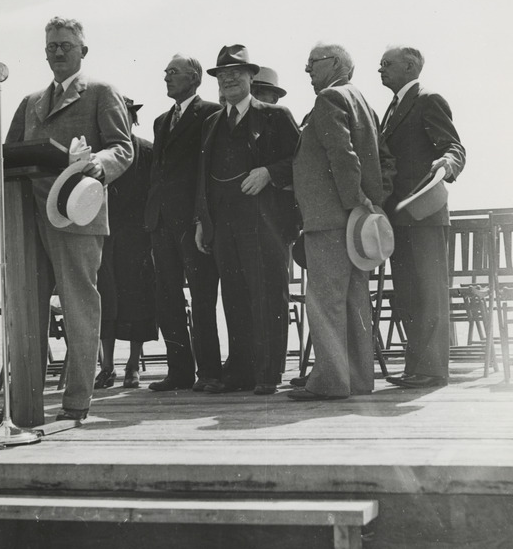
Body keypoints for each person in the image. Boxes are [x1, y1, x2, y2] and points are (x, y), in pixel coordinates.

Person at [0, 16, 133, 421]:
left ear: (83, 50)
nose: (57, 52)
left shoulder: (101, 93)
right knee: (25, 308)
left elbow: (122, 148)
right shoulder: (30, 103)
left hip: (76, 215)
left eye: (65, 45)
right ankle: (22, 404)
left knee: (80, 307)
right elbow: (7, 155)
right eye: (51, 46)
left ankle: (77, 401)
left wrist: (97, 162)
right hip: (28, 221)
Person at [287, 43, 395, 401]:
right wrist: (371, 202)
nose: (307, 71)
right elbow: (382, 158)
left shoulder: (329, 99)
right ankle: (359, 379)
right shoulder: (362, 101)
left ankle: (331, 381)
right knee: (354, 300)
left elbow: (342, 153)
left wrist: (353, 199)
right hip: (355, 222)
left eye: (312, 63)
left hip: (330, 219)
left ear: (335, 64)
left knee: (326, 301)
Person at [195, 44, 300, 395]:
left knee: (268, 295)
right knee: (234, 297)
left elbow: (301, 163)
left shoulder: (275, 115)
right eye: (222, 75)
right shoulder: (212, 123)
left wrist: (269, 172)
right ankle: (240, 371)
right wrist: (202, 222)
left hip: (265, 224)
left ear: (251, 78)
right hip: (224, 225)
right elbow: (203, 178)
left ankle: (268, 374)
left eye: (235, 74)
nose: (228, 80)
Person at [379, 46, 466, 389]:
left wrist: (447, 165)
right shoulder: (392, 107)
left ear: (410, 66)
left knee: (429, 293)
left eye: (387, 64)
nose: (380, 69)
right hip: (399, 217)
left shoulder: (428, 99)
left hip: (425, 214)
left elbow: (454, 146)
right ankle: (416, 367)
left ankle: (431, 370)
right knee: (409, 295)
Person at [144, 54, 222, 392]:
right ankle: (178, 372)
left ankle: (210, 372)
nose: (166, 78)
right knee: (166, 297)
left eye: (173, 72)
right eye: (165, 72)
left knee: (203, 297)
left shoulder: (209, 114)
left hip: (192, 222)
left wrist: (200, 218)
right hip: (161, 222)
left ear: (194, 77)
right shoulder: (161, 121)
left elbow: (206, 173)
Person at [95, 99, 158, 390]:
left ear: (133, 120)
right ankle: (107, 367)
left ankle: (133, 365)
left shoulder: (147, 150)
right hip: (104, 238)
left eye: (126, 116)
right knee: (105, 300)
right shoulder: (97, 154)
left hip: (138, 238)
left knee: (138, 301)